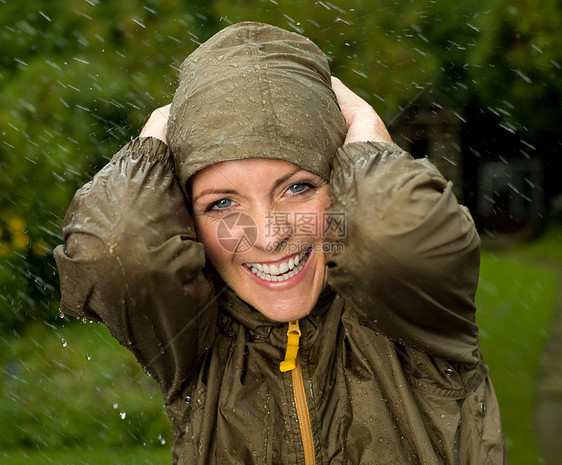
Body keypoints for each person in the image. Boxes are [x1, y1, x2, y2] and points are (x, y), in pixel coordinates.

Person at [54, 21, 507, 464]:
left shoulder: (415, 315)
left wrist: (369, 134)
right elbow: (115, 251)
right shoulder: (192, 335)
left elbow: (393, 236)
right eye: (221, 204)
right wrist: (153, 143)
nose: (269, 236)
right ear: (183, 217)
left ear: (343, 179)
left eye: (298, 188)